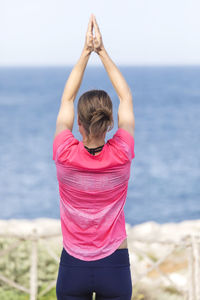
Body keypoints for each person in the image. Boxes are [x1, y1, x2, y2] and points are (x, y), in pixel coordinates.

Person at [53, 13, 135, 300]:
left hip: (73, 264)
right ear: (110, 122)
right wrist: (102, 51)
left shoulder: (64, 153)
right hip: (114, 263)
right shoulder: (122, 152)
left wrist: (85, 53)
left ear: (79, 122)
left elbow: (66, 99)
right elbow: (125, 98)